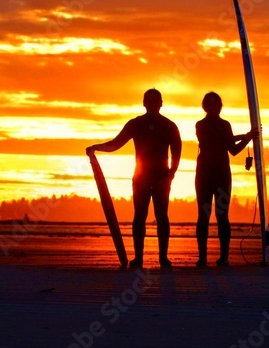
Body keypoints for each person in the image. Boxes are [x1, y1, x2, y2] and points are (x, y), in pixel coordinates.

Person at [87, 89, 181, 268]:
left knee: (162, 216)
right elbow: (116, 143)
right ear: (144, 103)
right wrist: (96, 147)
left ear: (161, 103)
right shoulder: (136, 123)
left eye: (156, 101)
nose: (153, 104)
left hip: (162, 177)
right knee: (139, 216)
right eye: (149, 101)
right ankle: (138, 258)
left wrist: (171, 173)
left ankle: (163, 257)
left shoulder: (169, 125)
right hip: (141, 177)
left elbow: (177, 151)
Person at [194, 92, 256, 267]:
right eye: (210, 104)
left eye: (216, 104)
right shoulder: (200, 125)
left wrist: (246, 139)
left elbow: (233, 150)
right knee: (203, 215)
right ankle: (202, 257)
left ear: (220, 106)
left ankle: (224, 257)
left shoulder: (225, 124)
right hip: (204, 175)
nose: (213, 108)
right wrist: (244, 136)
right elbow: (215, 141)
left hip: (222, 175)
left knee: (222, 215)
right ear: (205, 107)